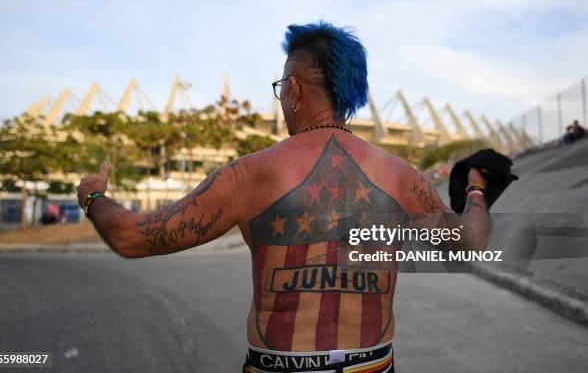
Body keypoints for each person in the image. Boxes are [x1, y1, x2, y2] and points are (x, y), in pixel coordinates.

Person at [77, 22, 490, 373]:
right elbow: (469, 244)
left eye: (280, 88)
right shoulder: (401, 177)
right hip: (373, 365)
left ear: (293, 89)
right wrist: (475, 188)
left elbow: (132, 237)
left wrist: (93, 195)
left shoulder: (252, 174)